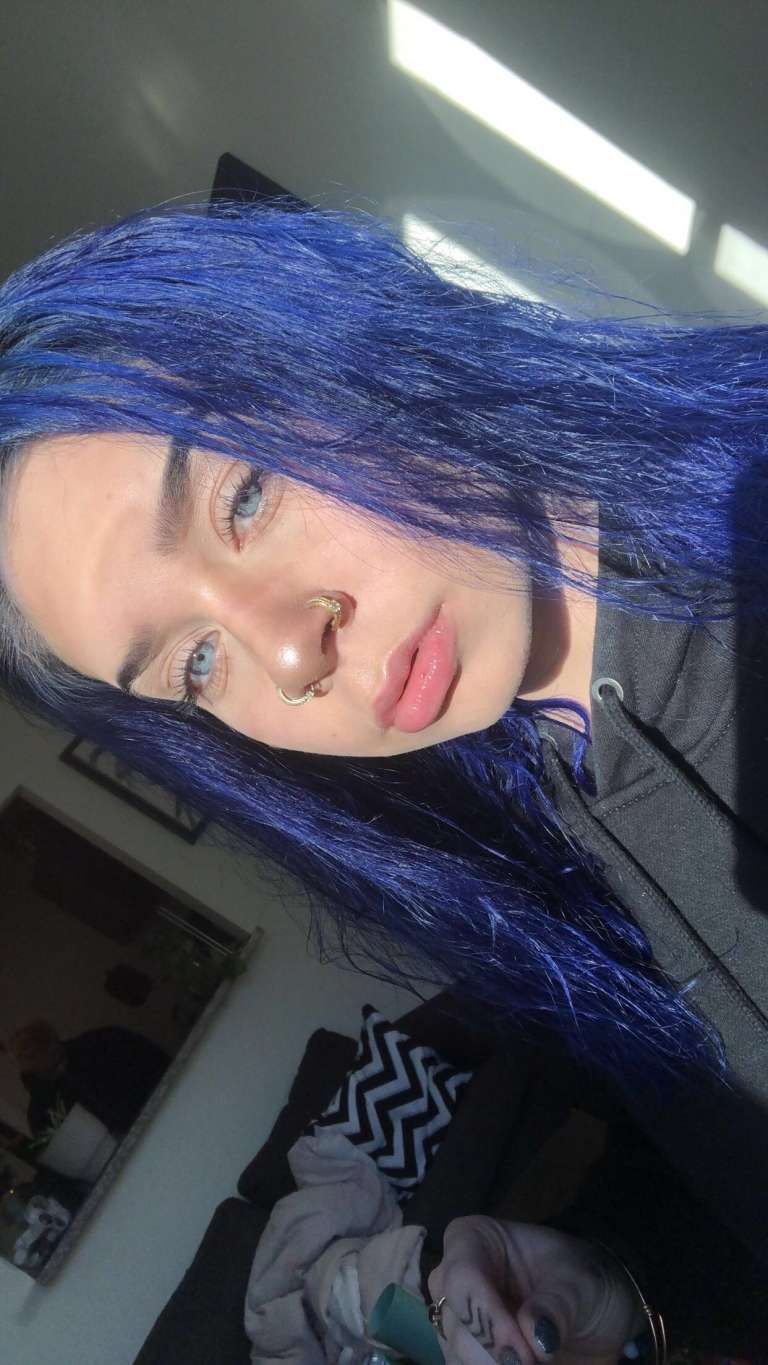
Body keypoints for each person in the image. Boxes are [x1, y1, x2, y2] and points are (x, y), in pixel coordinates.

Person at [1, 197, 767, 1360]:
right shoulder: (547, 846)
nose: (288, 653)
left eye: (243, 496)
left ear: (341, 343)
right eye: (194, 663)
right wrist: (611, 1290)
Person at [5, 1019, 170, 1136]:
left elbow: (159, 1066)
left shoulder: (104, 1042)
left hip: (163, 1112)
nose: (61, 1069)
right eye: (51, 1070)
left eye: (60, 1060)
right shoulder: (42, 1115)